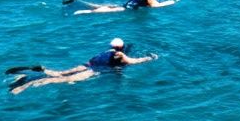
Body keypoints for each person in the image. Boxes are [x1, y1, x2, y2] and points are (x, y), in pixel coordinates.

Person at [9, 38, 157, 94]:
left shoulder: (107, 50)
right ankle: (27, 85)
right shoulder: (119, 55)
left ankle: (43, 70)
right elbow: (133, 62)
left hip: (87, 64)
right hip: (94, 70)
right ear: (122, 47)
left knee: (62, 73)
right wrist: (149, 58)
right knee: (64, 80)